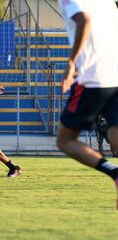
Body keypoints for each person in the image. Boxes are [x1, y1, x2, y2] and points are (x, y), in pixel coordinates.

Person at [56, 0, 118, 208]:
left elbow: (84, 20)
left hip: (94, 78)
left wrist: (72, 62)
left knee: (65, 140)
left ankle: (114, 171)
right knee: (115, 134)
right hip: (115, 73)